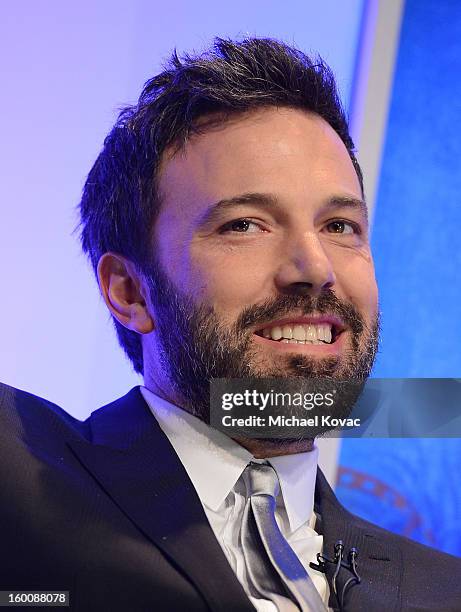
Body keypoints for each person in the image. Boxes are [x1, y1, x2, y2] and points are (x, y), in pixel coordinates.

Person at [1, 37, 460, 612]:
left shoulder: (444, 591)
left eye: (340, 226)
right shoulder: (23, 483)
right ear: (129, 290)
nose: (315, 268)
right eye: (245, 225)